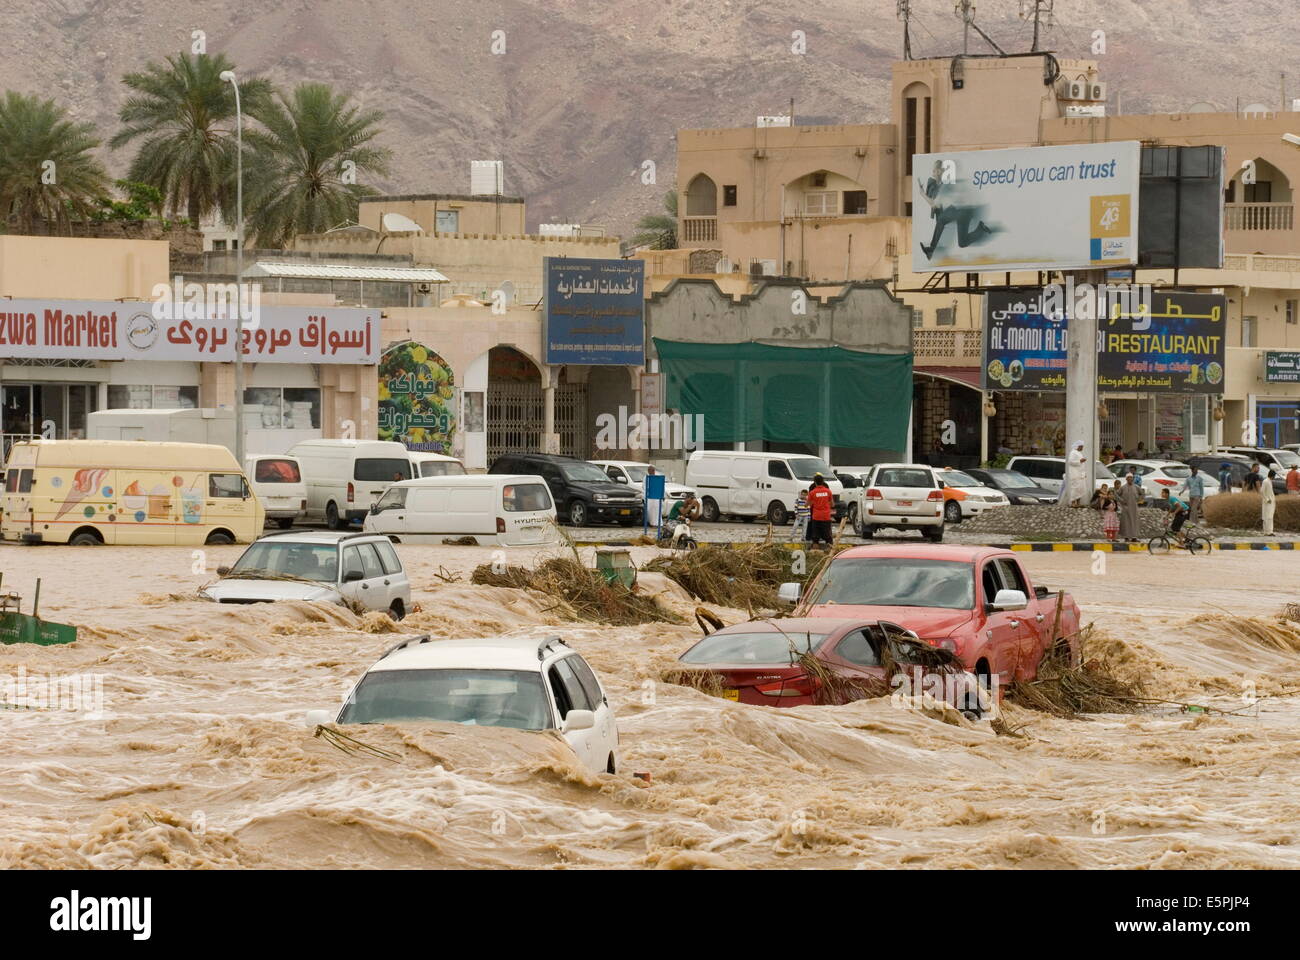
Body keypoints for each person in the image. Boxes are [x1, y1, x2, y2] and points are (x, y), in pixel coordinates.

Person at [805, 474, 835, 548]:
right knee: (828, 538)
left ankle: (815, 555)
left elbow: (808, 505)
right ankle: (830, 553)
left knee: (815, 539)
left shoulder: (812, 492)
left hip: (816, 517)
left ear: (815, 482)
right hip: (826, 517)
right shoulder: (828, 491)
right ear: (823, 481)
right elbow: (832, 504)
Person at [1059, 440, 1089, 508]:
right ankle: (1073, 503)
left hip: (1081, 474)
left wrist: (1084, 473)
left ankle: (1078, 503)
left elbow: (1082, 464)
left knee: (1081, 489)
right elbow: (1070, 462)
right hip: (1075, 474)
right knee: (1075, 488)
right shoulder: (1073, 452)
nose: (1082, 448)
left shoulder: (1079, 453)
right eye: (1081, 446)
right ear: (1078, 446)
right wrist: (1080, 461)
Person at [1118, 472, 1141, 543]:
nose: (1130, 479)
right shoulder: (1123, 487)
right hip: (1126, 508)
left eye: (1131, 478)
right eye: (1129, 478)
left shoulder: (1137, 487)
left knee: (1134, 522)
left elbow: (1142, 494)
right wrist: (1122, 501)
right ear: (1126, 479)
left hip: (1134, 508)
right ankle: (1126, 537)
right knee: (1126, 523)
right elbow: (1117, 495)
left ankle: (1134, 537)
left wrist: (1139, 499)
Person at [1261, 466, 1277, 536]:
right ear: (1272, 475)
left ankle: (1269, 531)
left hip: (1271, 502)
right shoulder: (1265, 481)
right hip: (1268, 502)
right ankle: (1267, 532)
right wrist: (1267, 499)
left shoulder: (1269, 481)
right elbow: (1262, 491)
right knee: (1267, 517)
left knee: (1270, 517)